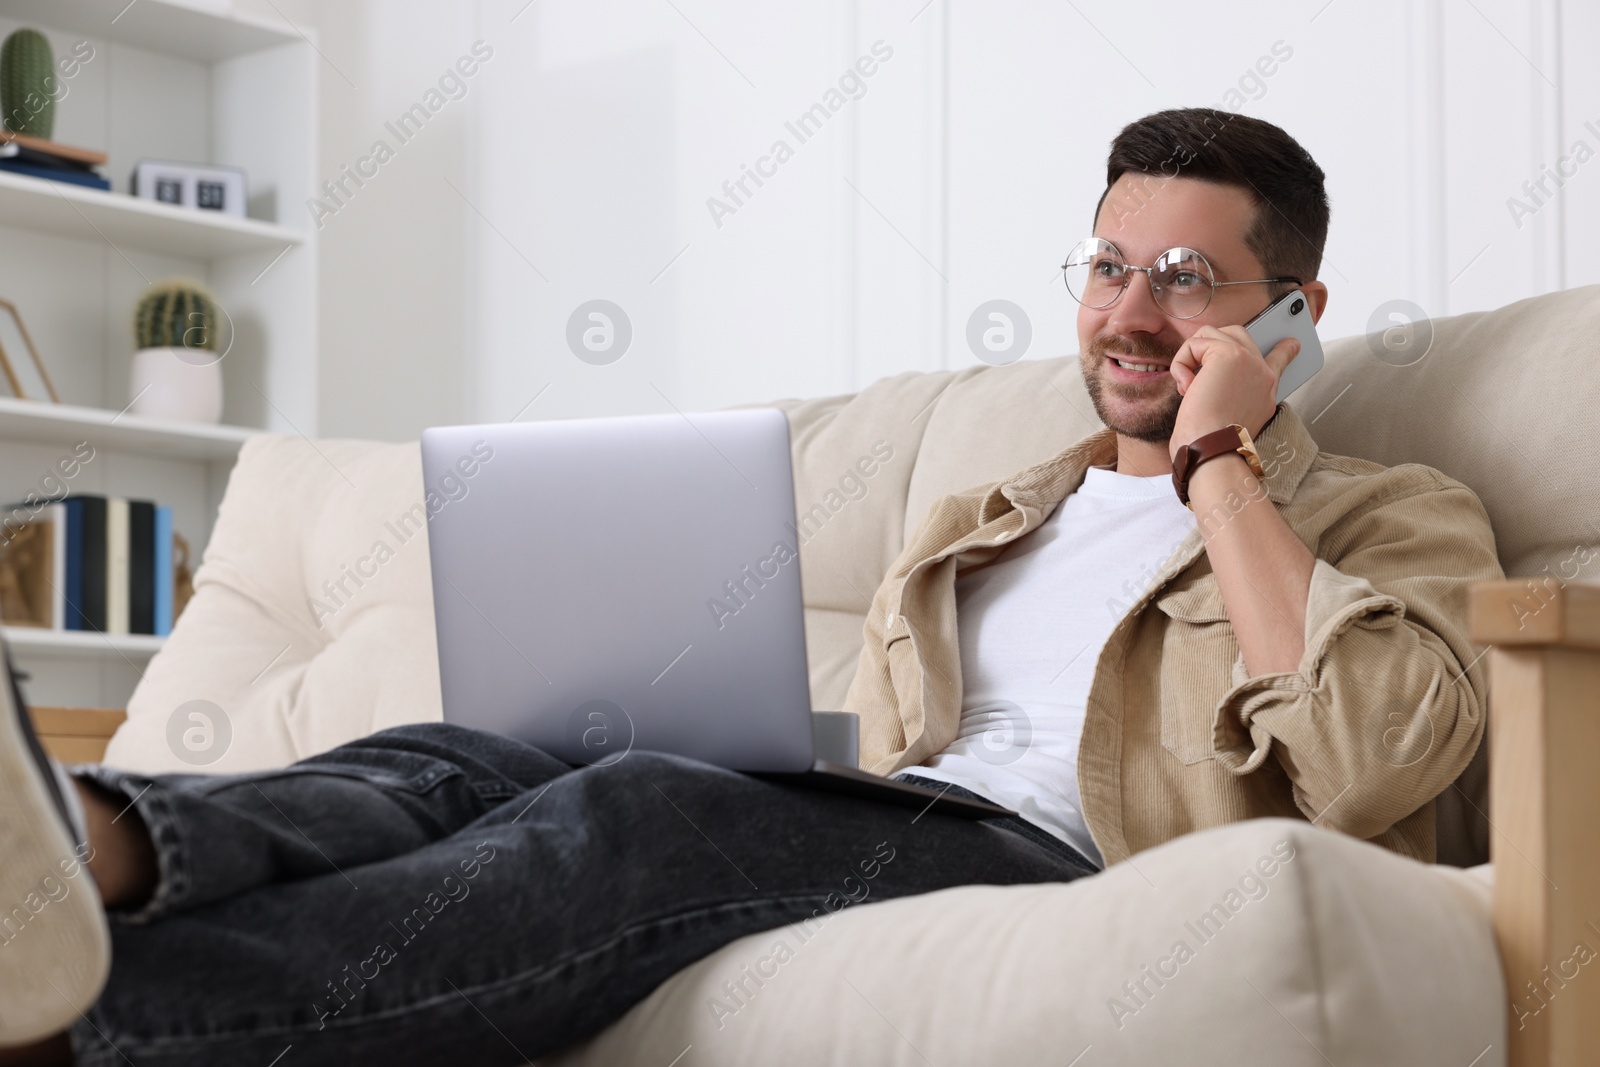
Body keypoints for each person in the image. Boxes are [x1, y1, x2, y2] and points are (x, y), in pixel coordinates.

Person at [0, 109, 1501, 1066]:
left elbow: (1370, 763)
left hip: (1070, 855)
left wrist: (1223, 458)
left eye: (1185, 278)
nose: (1126, 311)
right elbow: (900, 754)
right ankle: (90, 843)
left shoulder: (1391, 514)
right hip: (903, 817)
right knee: (478, 761)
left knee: (633, 812)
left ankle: (90, 1030)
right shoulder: (992, 515)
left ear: (1291, 313)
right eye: (1109, 265)